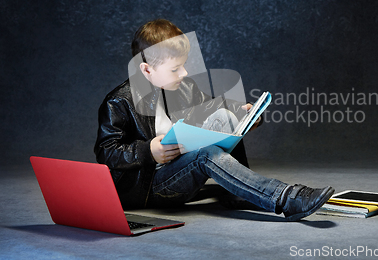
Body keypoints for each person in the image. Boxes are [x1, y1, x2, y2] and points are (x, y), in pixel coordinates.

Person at [94, 19, 334, 221]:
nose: (185, 73)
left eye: (184, 65)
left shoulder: (183, 87)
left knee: (224, 118)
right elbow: (106, 151)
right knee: (205, 154)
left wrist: (243, 114)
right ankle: (285, 197)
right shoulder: (119, 101)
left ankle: (240, 191)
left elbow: (211, 109)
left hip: (179, 169)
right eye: (175, 69)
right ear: (146, 70)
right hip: (149, 188)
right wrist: (149, 151)